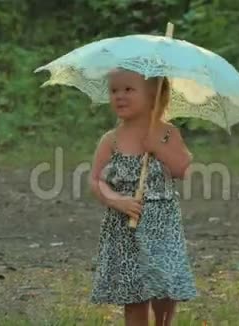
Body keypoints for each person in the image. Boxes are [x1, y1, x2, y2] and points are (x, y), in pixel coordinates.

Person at [88, 68, 198, 326]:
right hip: (126, 226)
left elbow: (183, 169)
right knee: (134, 292)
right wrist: (116, 200)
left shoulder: (167, 133)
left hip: (162, 226)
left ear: (153, 96)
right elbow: (96, 180)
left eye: (128, 89)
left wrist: (158, 147)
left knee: (164, 288)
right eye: (114, 91)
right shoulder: (111, 140)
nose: (119, 96)